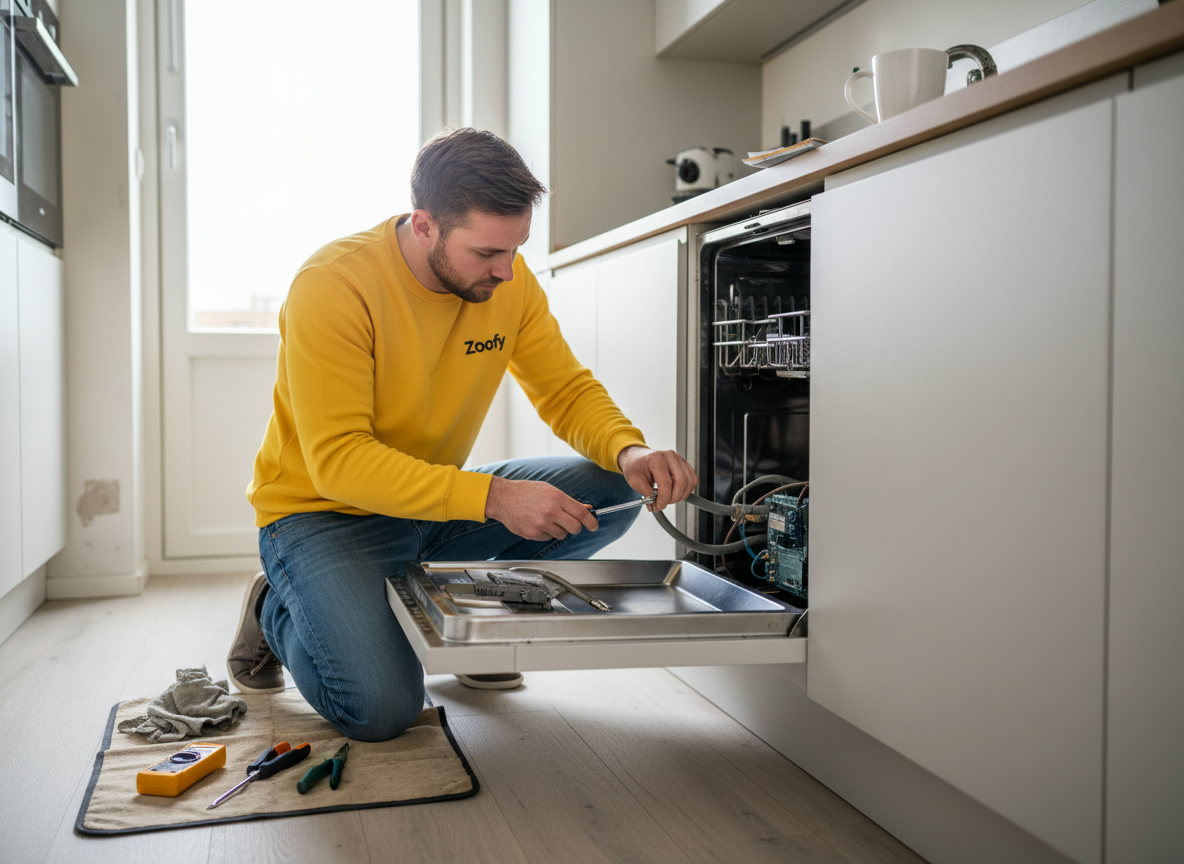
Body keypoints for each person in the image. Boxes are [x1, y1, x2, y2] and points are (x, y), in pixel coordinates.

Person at [228, 127, 698, 742]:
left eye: (516, 248)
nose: (507, 271)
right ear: (424, 225)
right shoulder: (333, 285)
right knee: (382, 709)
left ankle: (473, 635)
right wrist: (497, 499)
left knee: (609, 489)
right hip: (322, 514)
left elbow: (563, 389)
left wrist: (628, 448)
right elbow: (339, 463)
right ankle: (275, 606)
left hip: (431, 503)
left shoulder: (509, 279)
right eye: (486, 253)